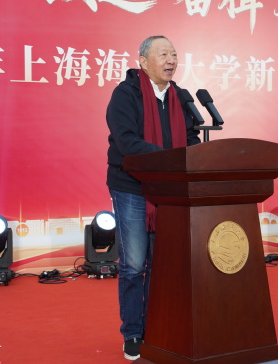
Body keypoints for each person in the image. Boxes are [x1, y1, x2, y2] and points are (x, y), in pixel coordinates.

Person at [105, 35, 201, 360]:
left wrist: (197, 157)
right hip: (132, 186)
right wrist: (171, 159)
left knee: (161, 265)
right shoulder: (125, 94)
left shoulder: (181, 97)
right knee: (134, 264)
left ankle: (156, 326)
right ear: (143, 62)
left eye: (173, 54)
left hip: (169, 190)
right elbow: (127, 142)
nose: (171, 59)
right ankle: (133, 332)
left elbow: (191, 138)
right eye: (163, 54)